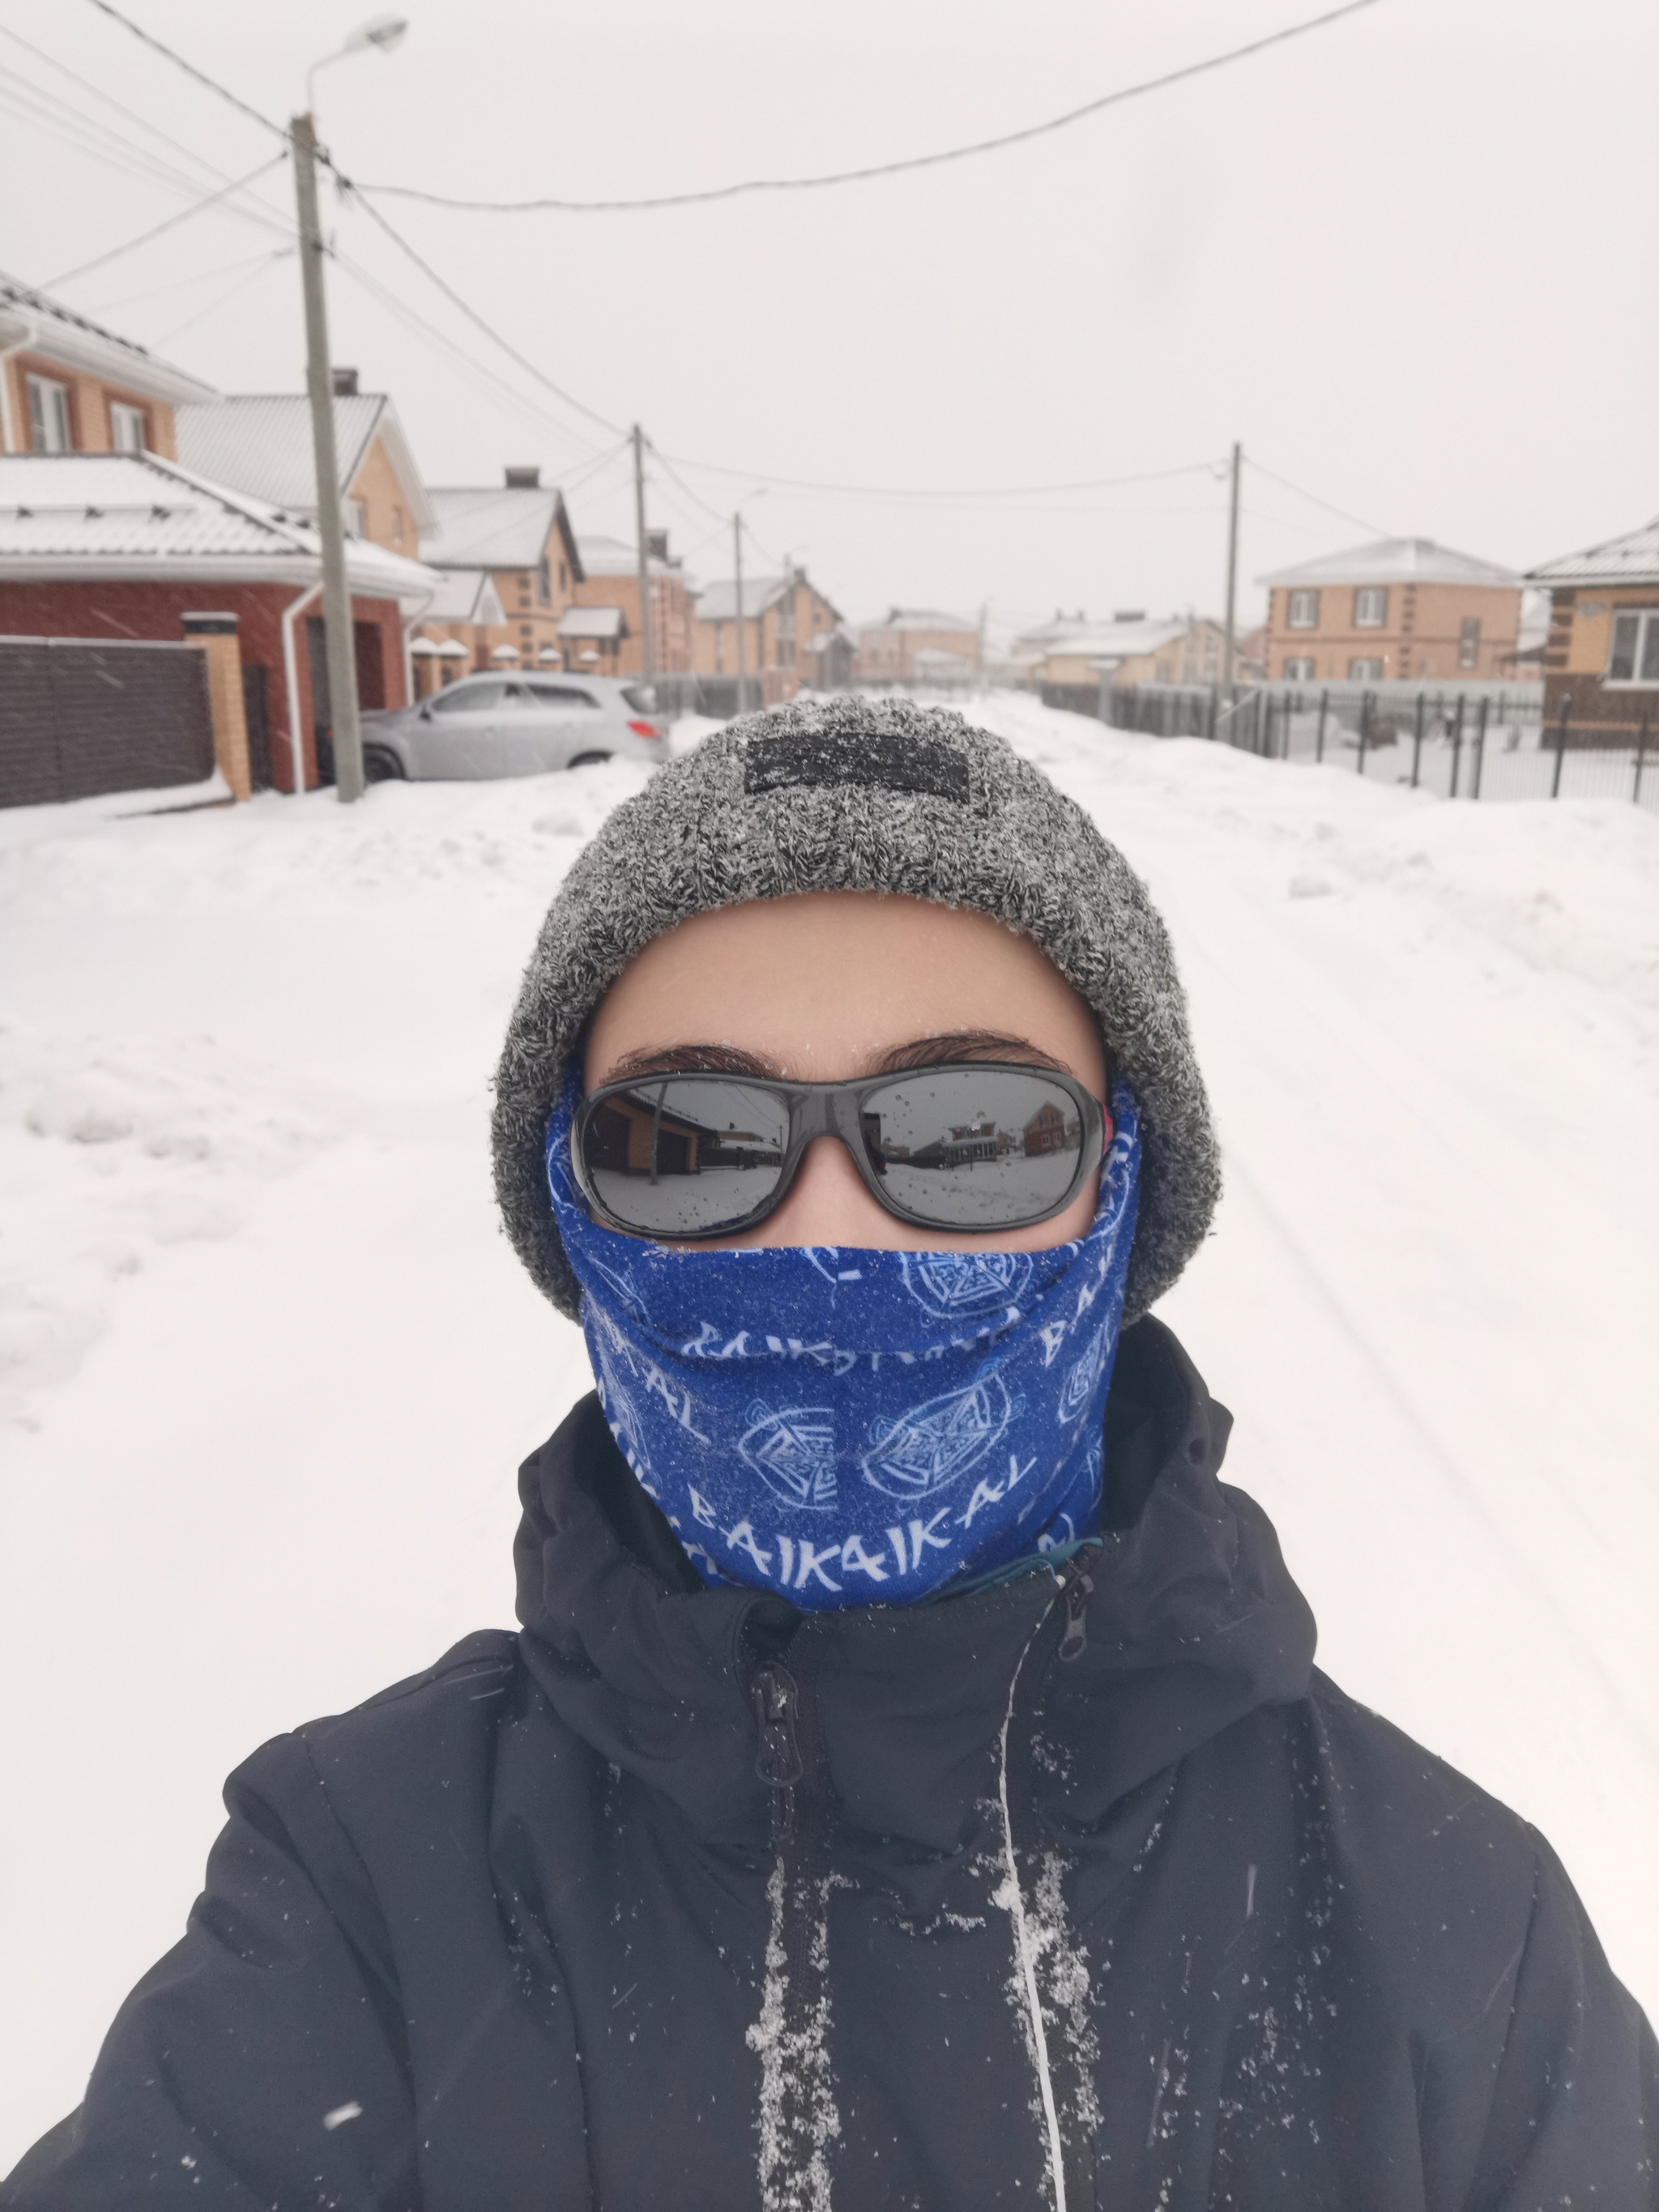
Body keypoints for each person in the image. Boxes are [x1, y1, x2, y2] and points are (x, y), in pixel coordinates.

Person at [4, 697, 1653, 2211]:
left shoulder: (1455, 1942)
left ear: (1123, 1190)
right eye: (688, 1140)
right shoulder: (373, 1886)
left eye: (973, 1132)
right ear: (575, 1214)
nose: (829, 1229)